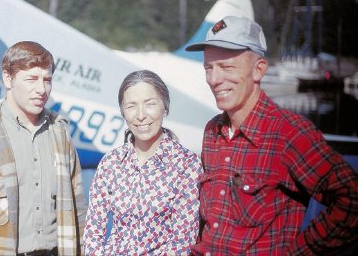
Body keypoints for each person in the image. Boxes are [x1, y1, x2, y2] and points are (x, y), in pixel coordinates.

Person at [185, 15, 358, 255]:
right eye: (208, 68)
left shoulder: (289, 133)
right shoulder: (212, 132)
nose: (214, 79)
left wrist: (298, 250)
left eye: (226, 67)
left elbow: (352, 200)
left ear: (259, 70)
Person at [0, 41, 87, 256]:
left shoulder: (61, 134)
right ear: (7, 78)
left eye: (47, 80)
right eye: (31, 79)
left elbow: (79, 211)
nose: (41, 89)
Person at [83, 70, 202, 255]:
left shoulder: (186, 165)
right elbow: (93, 232)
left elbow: (183, 240)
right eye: (131, 106)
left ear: (165, 107)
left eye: (150, 104)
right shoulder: (111, 163)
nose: (141, 115)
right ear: (123, 112)